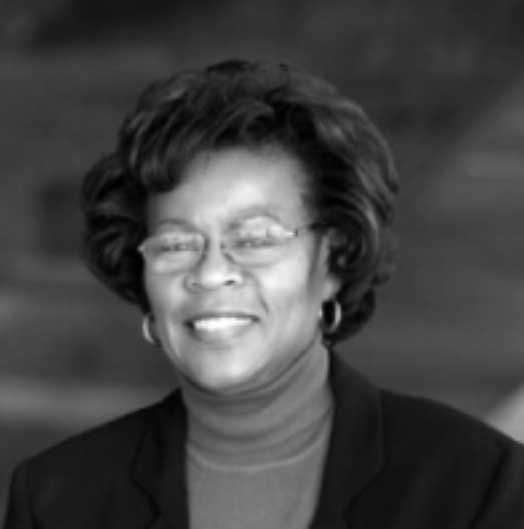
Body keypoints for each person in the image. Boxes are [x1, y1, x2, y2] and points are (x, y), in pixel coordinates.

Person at [4, 59, 524, 529]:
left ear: (333, 260)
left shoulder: (476, 484)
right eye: (177, 244)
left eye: (254, 239)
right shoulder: (57, 499)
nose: (211, 273)